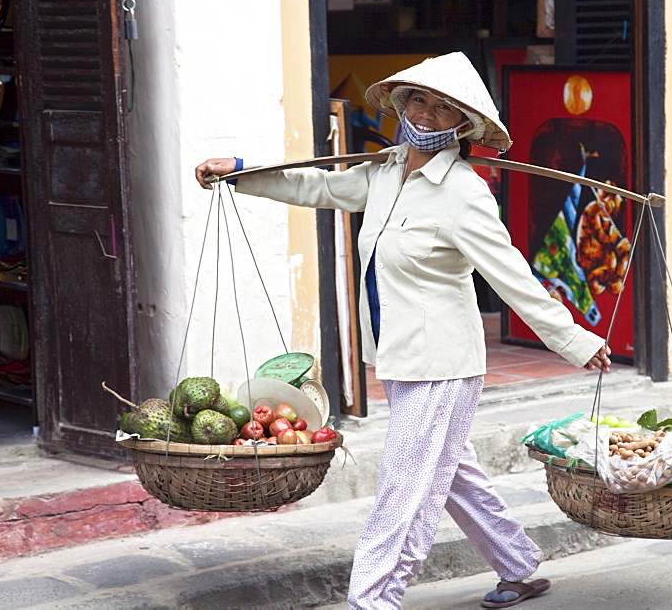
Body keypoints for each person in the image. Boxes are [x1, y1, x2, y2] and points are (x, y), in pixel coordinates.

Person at [195, 52, 612, 609]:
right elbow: (317, 187)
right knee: (450, 470)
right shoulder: (385, 173)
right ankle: (518, 564)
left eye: (446, 109)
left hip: (444, 362)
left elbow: (514, 278)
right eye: (421, 100)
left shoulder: (465, 193)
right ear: (400, 103)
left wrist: (576, 342)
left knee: (406, 489)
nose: (430, 115)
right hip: (396, 355)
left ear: (463, 126)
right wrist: (240, 173)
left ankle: (373, 599)